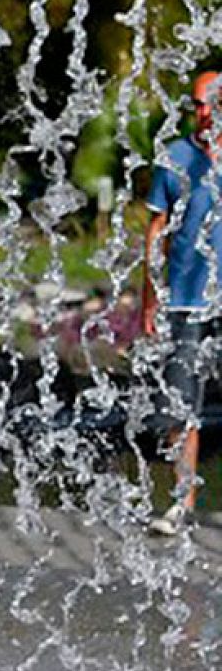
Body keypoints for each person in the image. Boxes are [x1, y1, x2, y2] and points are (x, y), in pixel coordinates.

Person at [146, 71, 222, 536]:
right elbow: (156, 232)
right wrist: (149, 299)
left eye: (213, 102)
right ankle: (182, 502)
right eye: (198, 103)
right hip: (185, 302)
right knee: (180, 405)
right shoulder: (175, 158)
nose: (205, 112)